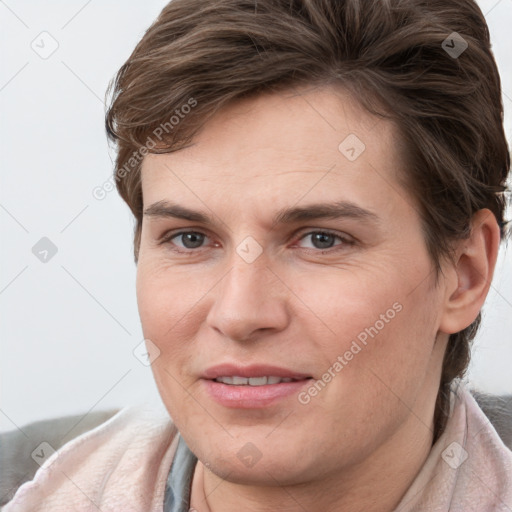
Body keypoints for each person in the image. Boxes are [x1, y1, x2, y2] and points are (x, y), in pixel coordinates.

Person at [3, 0, 511, 510]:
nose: (239, 314)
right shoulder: (25, 484)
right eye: (190, 238)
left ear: (465, 274)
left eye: (321, 239)